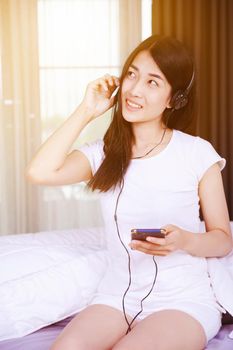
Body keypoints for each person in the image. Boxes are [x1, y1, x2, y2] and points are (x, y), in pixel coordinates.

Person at [26, 35, 232, 350]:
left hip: (183, 301)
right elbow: (39, 172)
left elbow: (222, 238)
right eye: (132, 74)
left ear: (172, 100)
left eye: (152, 82)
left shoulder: (196, 153)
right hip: (116, 296)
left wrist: (185, 240)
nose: (134, 89)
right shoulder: (102, 154)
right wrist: (86, 110)